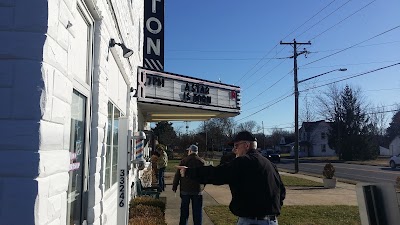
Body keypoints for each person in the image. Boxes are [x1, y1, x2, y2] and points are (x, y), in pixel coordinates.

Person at [177, 131, 286, 225]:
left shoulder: (243, 161)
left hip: (251, 221)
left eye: (236, 146)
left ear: (247, 145)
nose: (234, 149)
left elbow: (217, 174)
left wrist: (189, 172)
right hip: (271, 221)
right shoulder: (270, 164)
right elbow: (281, 192)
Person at [172, 144, 205, 225]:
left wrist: (174, 186)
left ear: (190, 151)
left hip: (185, 189)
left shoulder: (184, 161)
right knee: (197, 211)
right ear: (197, 152)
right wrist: (202, 187)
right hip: (197, 190)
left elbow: (177, 175)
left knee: (184, 211)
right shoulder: (201, 162)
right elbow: (205, 176)